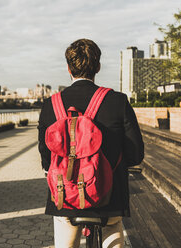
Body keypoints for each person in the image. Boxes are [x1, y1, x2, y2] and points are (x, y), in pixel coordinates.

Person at [37, 39, 144, 248]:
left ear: (68, 68)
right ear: (98, 67)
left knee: (64, 233)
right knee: (113, 227)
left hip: (64, 197)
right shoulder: (118, 101)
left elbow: (45, 155)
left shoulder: (51, 105)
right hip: (110, 198)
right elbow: (135, 153)